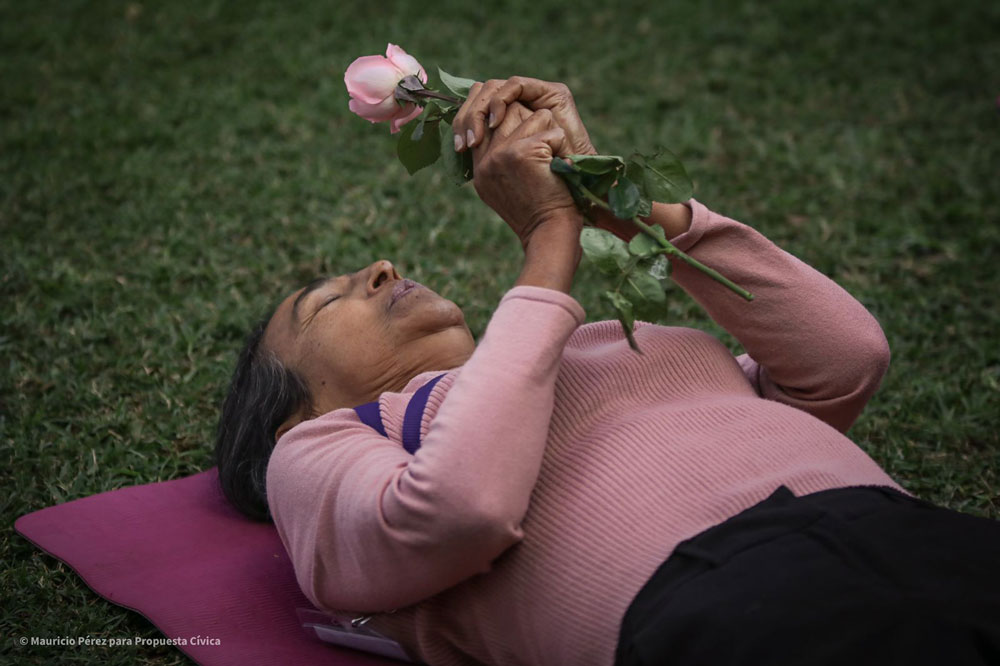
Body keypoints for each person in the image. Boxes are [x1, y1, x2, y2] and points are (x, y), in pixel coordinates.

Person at [215, 78, 1000, 666]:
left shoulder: (607, 344)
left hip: (914, 533)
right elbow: (463, 508)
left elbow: (845, 361)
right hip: (721, 596)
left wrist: (615, 198)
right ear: (293, 415)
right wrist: (548, 237)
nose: (381, 268)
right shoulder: (323, 448)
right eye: (327, 302)